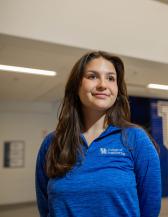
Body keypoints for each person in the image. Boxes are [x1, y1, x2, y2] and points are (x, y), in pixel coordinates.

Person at [35, 51, 161, 217]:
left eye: (111, 78)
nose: (103, 84)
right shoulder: (52, 142)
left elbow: (150, 208)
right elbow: (46, 207)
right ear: (77, 85)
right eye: (92, 76)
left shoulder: (135, 139)